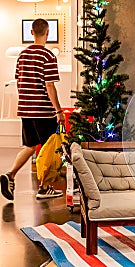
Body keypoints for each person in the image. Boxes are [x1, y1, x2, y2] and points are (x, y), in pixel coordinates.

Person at [1, 18, 65, 201]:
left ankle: (10, 176)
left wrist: (25, 102)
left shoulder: (22, 55)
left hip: (25, 109)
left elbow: (19, 83)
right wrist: (58, 111)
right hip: (43, 111)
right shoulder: (48, 56)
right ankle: (44, 188)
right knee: (47, 149)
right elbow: (50, 86)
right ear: (47, 33)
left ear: (31, 32)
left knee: (30, 146)